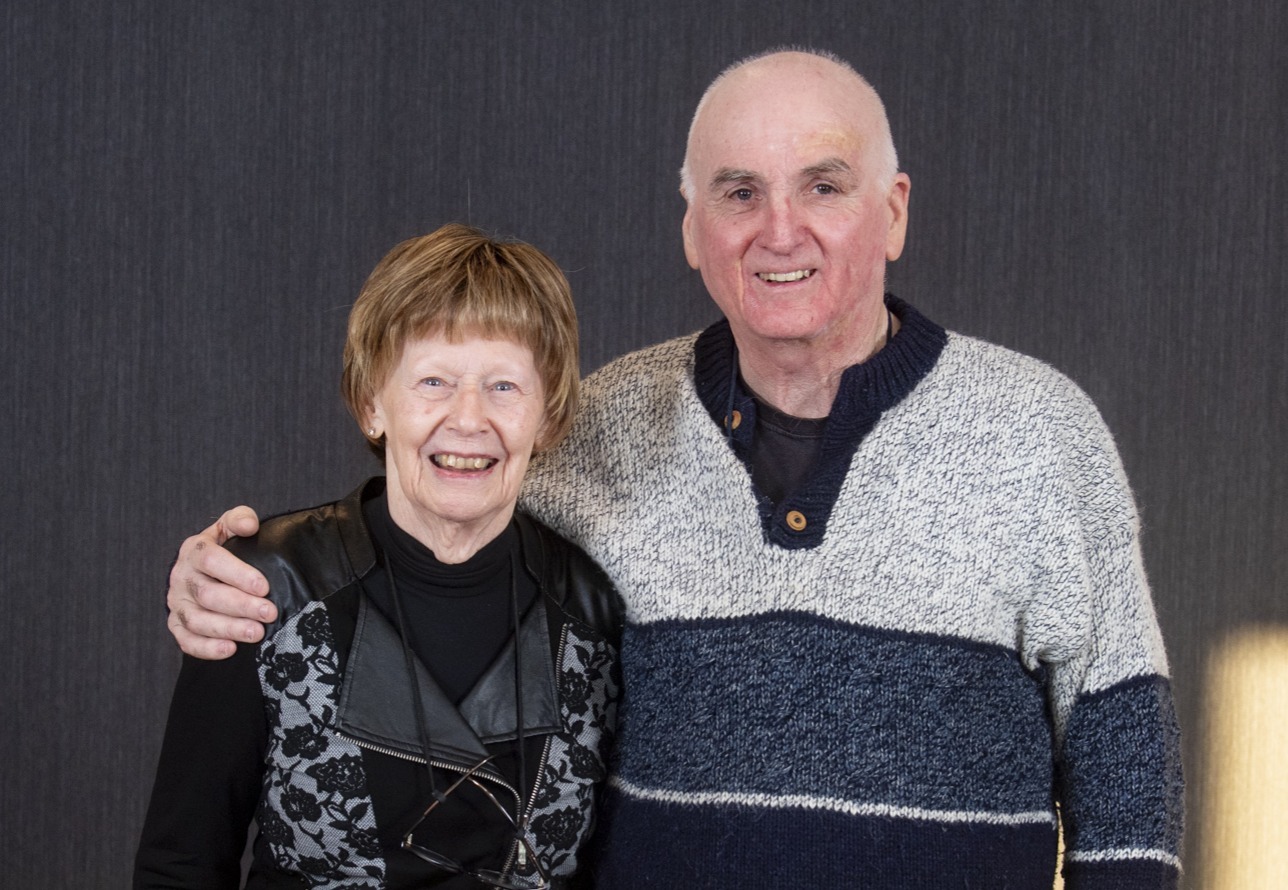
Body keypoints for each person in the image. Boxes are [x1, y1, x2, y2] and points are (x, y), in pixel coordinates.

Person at [163, 50, 1184, 888]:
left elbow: (1122, 750)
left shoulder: (1039, 431)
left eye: (822, 185)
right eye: (738, 192)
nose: (779, 229)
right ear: (692, 229)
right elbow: (434, 537)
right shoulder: (599, 423)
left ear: (895, 209)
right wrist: (228, 577)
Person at [137, 224, 623, 889]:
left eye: (505, 386)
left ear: (547, 418)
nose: (468, 418)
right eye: (434, 381)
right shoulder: (262, 588)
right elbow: (181, 865)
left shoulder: (598, 612)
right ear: (373, 404)